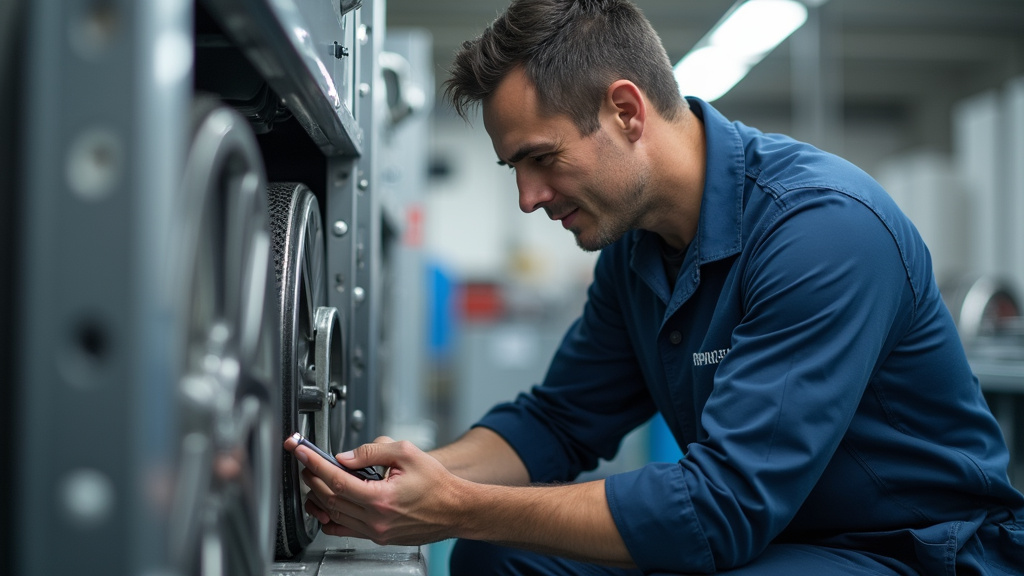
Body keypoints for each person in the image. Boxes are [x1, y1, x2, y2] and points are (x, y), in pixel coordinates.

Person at [283, 0, 1024, 573]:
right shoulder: (637, 250)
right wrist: (397, 479)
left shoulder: (821, 230)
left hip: (912, 549)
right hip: (779, 537)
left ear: (626, 112)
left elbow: (723, 507)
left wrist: (458, 507)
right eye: (515, 169)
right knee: (498, 558)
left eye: (542, 158)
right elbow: (559, 422)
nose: (528, 198)